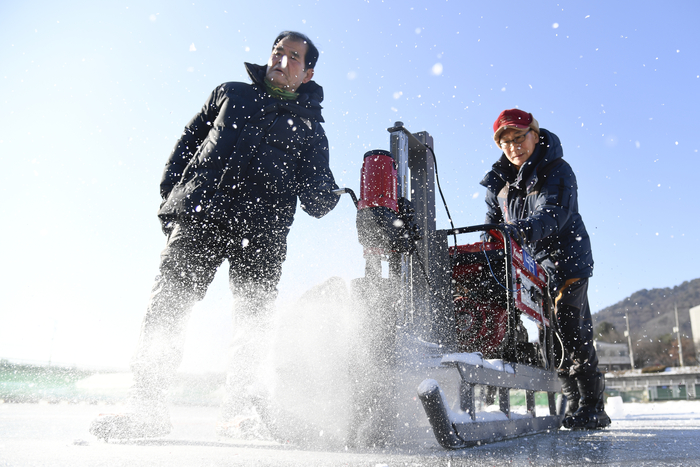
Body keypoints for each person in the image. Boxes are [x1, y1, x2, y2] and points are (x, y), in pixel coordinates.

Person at [89, 31, 339, 440]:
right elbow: (186, 145)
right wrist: (175, 199)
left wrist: (336, 194)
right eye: (278, 52)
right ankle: (146, 407)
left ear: (308, 72)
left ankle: (238, 414)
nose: (281, 60)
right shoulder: (231, 93)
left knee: (253, 322)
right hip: (202, 218)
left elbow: (316, 199)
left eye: (294, 56)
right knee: (168, 305)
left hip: (263, 233)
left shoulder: (311, 129)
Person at [480, 108, 610, 429]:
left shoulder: (557, 170)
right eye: (505, 141)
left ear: (535, 136)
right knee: (550, 338)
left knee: (571, 327)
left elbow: (552, 214)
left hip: (567, 261)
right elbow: (491, 229)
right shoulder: (499, 184)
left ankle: (594, 404)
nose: (513, 146)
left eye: (519, 137)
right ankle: (573, 402)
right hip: (533, 270)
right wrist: (489, 248)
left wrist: (520, 231)